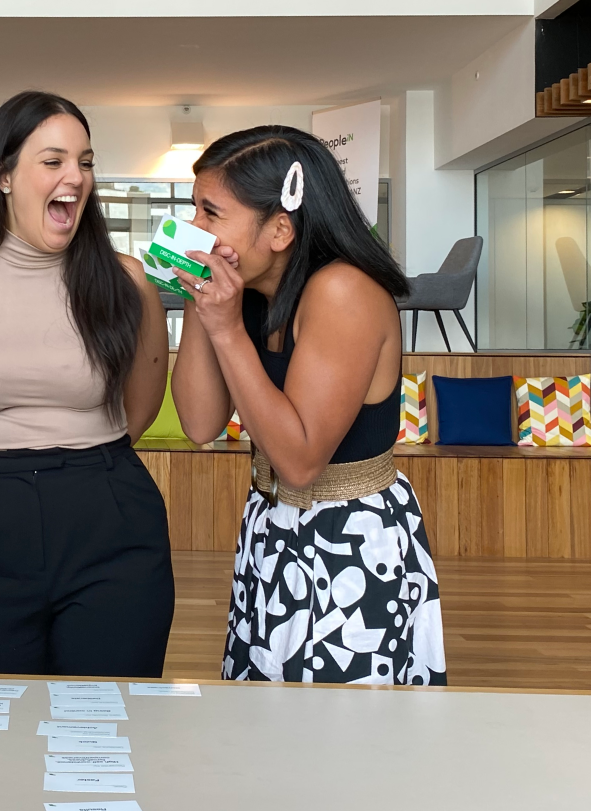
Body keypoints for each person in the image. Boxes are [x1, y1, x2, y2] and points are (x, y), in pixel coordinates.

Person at [0, 91, 173, 677]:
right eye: (53, 162)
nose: (74, 178)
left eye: (85, 162)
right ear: (4, 176)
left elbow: (140, 410)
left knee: (105, 721)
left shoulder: (128, 281)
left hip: (110, 513)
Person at [170, 125, 446, 685]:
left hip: (350, 543)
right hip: (273, 527)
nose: (192, 227)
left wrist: (226, 332)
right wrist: (202, 305)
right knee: (266, 734)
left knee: (339, 743)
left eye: (210, 212)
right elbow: (198, 424)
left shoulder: (343, 291)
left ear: (279, 228)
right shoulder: (249, 294)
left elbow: (299, 462)